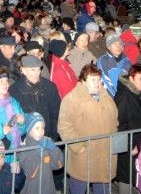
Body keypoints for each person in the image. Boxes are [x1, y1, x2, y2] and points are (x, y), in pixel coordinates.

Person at [58, 64, 118, 194]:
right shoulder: (72, 99)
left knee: (102, 189)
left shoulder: (106, 97)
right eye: (93, 79)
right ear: (83, 81)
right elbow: (64, 126)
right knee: (79, 188)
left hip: (105, 154)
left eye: (98, 79)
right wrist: (79, 147)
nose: (97, 83)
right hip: (84, 155)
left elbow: (115, 119)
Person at [114, 65, 141, 194]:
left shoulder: (140, 93)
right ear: (131, 78)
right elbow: (119, 124)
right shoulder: (124, 96)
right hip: (129, 145)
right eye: (140, 78)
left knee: (140, 175)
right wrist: (130, 146)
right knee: (127, 177)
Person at [18, 112, 63, 194]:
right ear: (29, 130)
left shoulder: (47, 142)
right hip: (31, 189)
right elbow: (29, 171)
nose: (41, 131)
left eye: (43, 128)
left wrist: (53, 148)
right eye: (37, 128)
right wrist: (38, 151)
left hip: (48, 187)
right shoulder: (23, 147)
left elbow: (58, 164)